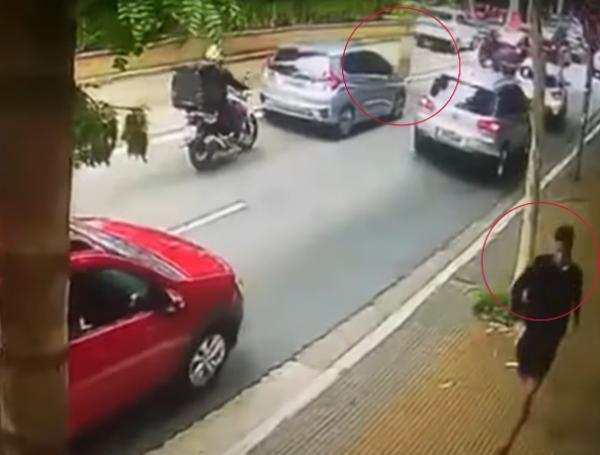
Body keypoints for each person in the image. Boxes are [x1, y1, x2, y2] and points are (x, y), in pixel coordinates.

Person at [497, 224, 583, 454]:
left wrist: (575, 320)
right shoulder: (541, 265)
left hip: (552, 332)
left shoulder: (574, 274)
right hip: (533, 324)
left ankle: (519, 420)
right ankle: (526, 396)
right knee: (524, 361)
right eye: (557, 250)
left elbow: (577, 298)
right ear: (554, 247)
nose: (560, 255)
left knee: (536, 374)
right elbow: (519, 286)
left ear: (570, 249)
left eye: (564, 251)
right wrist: (517, 310)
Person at [197, 44, 249, 137]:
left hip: (201, 102)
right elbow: (233, 83)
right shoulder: (221, 72)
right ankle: (234, 132)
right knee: (236, 111)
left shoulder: (199, 70)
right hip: (217, 102)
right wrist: (244, 88)